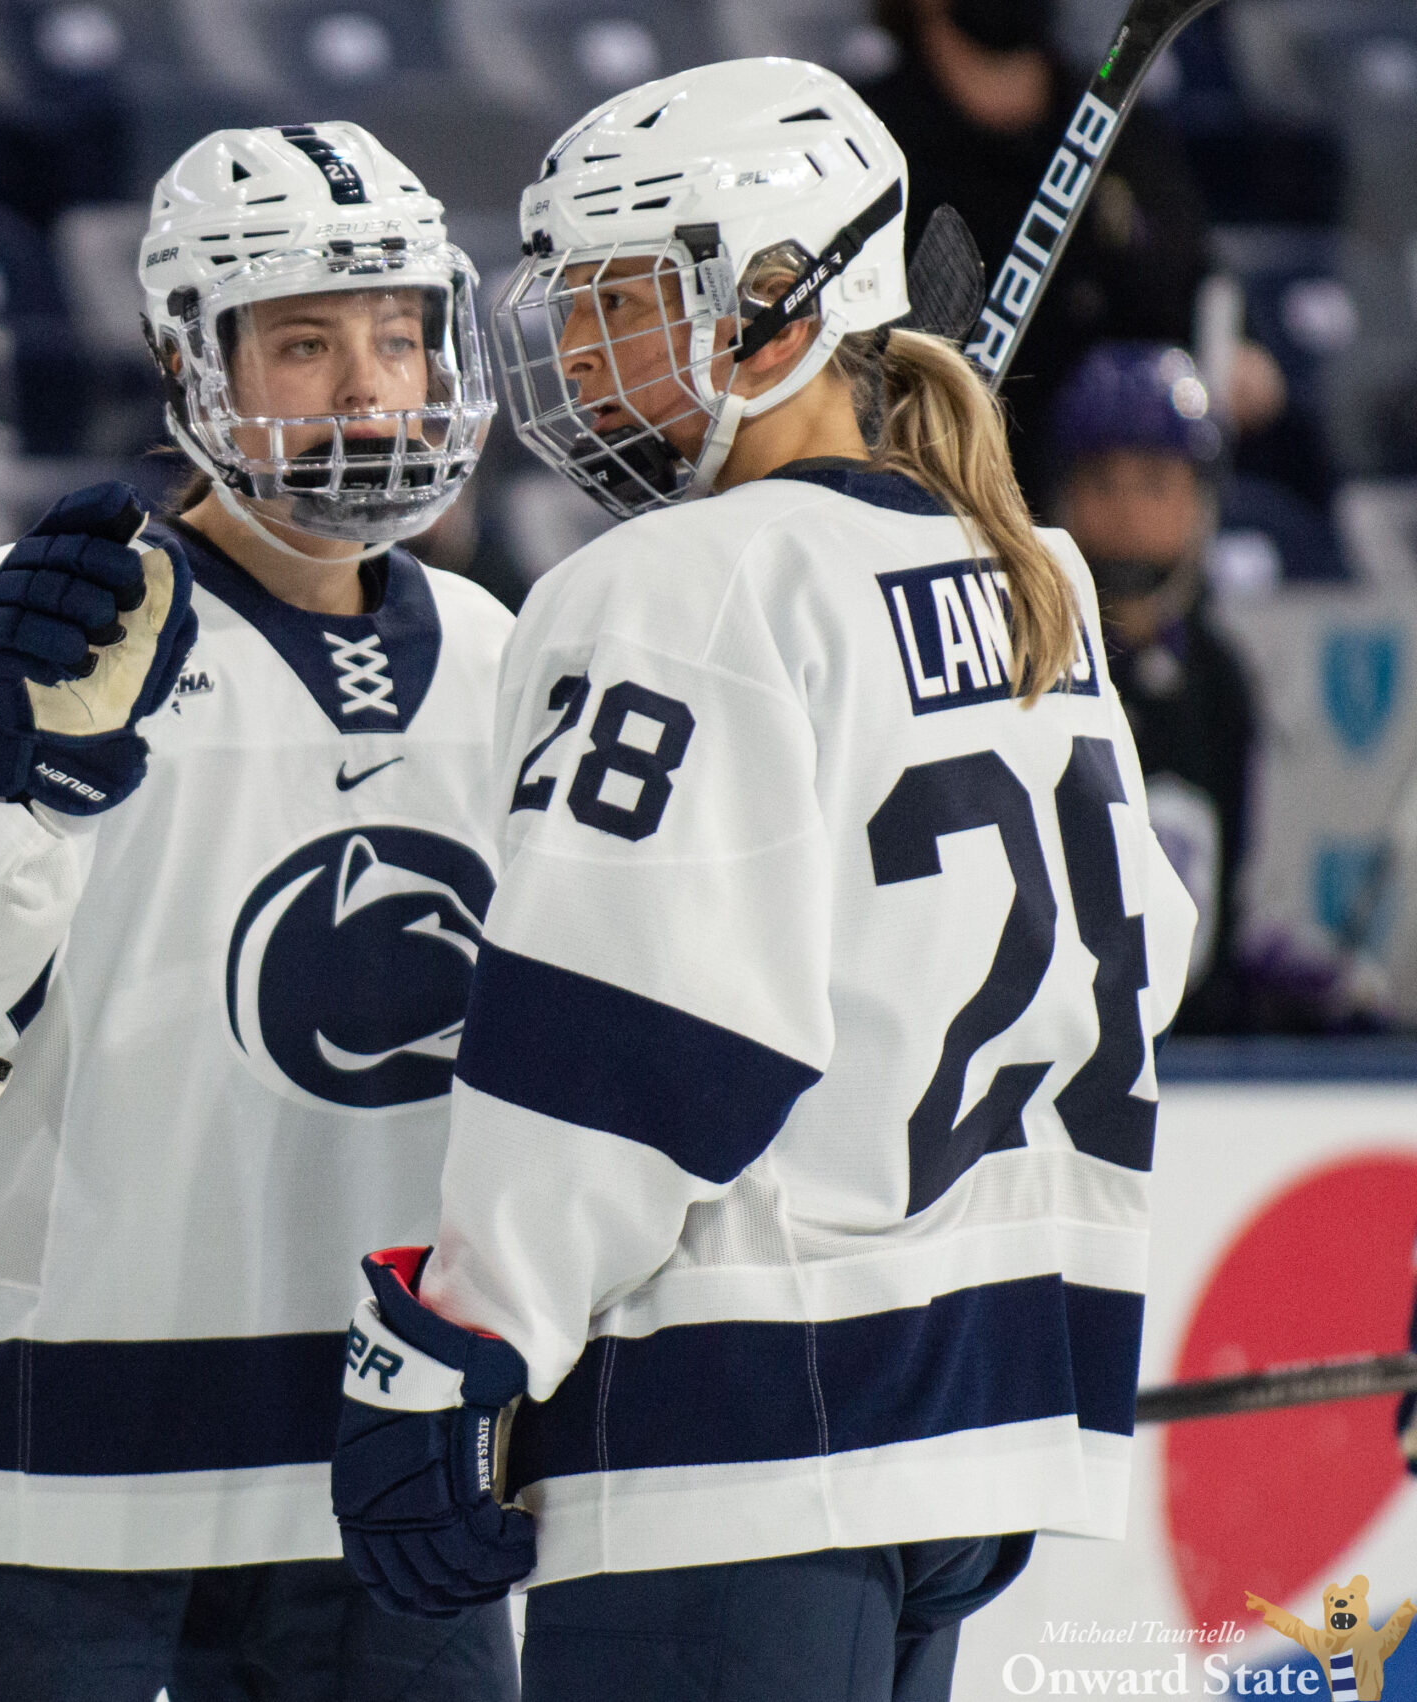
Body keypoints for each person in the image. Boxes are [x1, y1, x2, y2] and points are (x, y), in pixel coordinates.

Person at [332, 61, 1196, 1702]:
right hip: (977, 1418)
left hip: (738, 1442)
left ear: (779, 298)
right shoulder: (1035, 576)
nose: (583, 354)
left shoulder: (674, 586)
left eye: (624, 303)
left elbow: (632, 1034)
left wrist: (467, 1337)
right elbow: (1149, 944)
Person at [0, 123, 518, 1698]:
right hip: (21, 1470)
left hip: (380, 1478)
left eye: (399, 337)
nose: (371, 389)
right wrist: (15, 763)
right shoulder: (17, 616)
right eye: (306, 344)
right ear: (194, 361)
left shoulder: (497, 648)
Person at [858, 0, 1210, 495]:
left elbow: (1196, 307)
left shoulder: (1132, 139)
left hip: (1095, 506)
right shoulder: (862, 142)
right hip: (920, 490)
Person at [1049, 343, 1258, 1031]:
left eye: (1153, 482)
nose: (1126, 509)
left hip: (1196, 1047)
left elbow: (1227, 891)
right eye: (1102, 481)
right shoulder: (1027, 660)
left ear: (1201, 500)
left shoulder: (1221, 680)